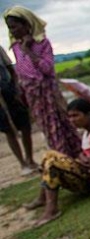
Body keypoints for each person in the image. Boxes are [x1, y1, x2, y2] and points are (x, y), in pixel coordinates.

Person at [3, 6, 81, 159]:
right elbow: (21, 70)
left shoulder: (42, 44)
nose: (12, 31)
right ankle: (62, 160)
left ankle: (74, 158)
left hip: (48, 92)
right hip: (33, 95)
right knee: (47, 128)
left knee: (59, 124)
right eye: (10, 28)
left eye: (15, 26)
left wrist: (29, 50)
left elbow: (47, 69)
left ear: (27, 24)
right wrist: (21, 90)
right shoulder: (16, 48)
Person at [25, 99, 90, 227]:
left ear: (88, 114)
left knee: (53, 161)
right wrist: (82, 158)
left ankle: (51, 209)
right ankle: (43, 198)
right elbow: (83, 156)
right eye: (70, 116)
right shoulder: (87, 133)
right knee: (49, 156)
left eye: (76, 115)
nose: (72, 120)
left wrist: (81, 158)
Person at [0, 43, 36, 175]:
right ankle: (23, 163)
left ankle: (30, 159)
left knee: (25, 125)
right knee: (8, 130)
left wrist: (16, 90)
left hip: (10, 91)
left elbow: (11, 71)